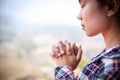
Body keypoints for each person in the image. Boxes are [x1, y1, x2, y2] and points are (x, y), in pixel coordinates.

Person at [50, 0, 120, 80]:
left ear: (111, 6)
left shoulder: (112, 67)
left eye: (83, 6)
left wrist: (64, 68)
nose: (78, 16)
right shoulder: (108, 57)